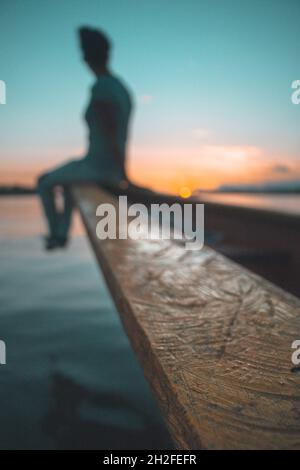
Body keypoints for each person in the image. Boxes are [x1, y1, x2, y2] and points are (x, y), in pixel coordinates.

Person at [37, 27, 132, 250]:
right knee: (69, 181)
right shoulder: (121, 88)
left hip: (99, 168)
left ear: (87, 56)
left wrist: (124, 175)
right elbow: (119, 135)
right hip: (102, 166)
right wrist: (122, 171)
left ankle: (57, 235)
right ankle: (60, 234)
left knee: (43, 182)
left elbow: (111, 134)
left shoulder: (102, 88)